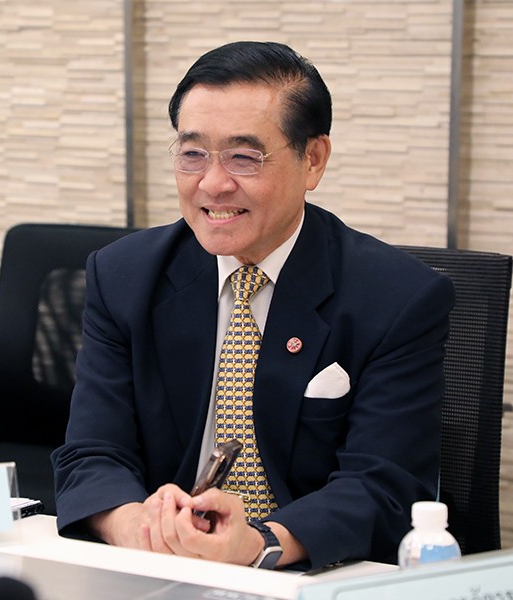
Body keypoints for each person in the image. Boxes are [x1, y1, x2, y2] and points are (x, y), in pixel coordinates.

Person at [52, 40, 455, 570]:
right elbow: (92, 452)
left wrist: (258, 544)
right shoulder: (124, 275)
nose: (213, 183)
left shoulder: (396, 297)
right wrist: (140, 527)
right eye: (193, 154)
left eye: (244, 157)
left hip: (310, 574)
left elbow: (383, 486)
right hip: (162, 568)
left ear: (313, 160)